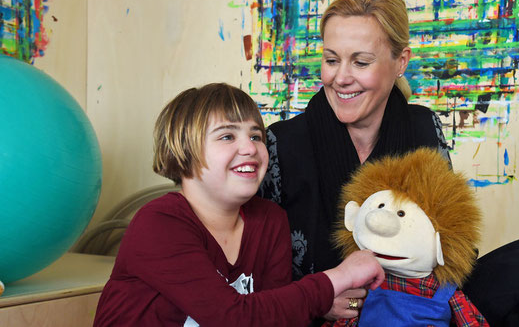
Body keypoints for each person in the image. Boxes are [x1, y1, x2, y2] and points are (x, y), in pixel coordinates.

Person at [259, 0, 519, 326]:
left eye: (361, 62)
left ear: (401, 62)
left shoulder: (422, 126)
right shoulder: (282, 140)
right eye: (332, 60)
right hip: (327, 315)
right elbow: (255, 272)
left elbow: (450, 239)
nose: (341, 78)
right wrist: (317, 300)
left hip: (416, 305)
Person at [93, 83, 385, 327]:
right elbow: (231, 318)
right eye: (227, 136)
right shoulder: (158, 223)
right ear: (184, 150)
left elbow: (274, 319)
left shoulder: (270, 219)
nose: (250, 148)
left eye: (255, 135)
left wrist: (315, 304)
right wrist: (338, 277)